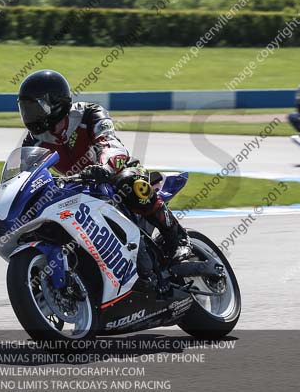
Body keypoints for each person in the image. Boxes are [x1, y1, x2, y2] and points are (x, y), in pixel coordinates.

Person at [17, 69, 189, 293]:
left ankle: (177, 237)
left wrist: (106, 166)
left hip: (115, 172)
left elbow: (110, 142)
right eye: (25, 109)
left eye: (34, 109)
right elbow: (27, 177)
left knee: (129, 183)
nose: (29, 116)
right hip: (77, 189)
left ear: (55, 103)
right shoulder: (32, 142)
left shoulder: (90, 113)